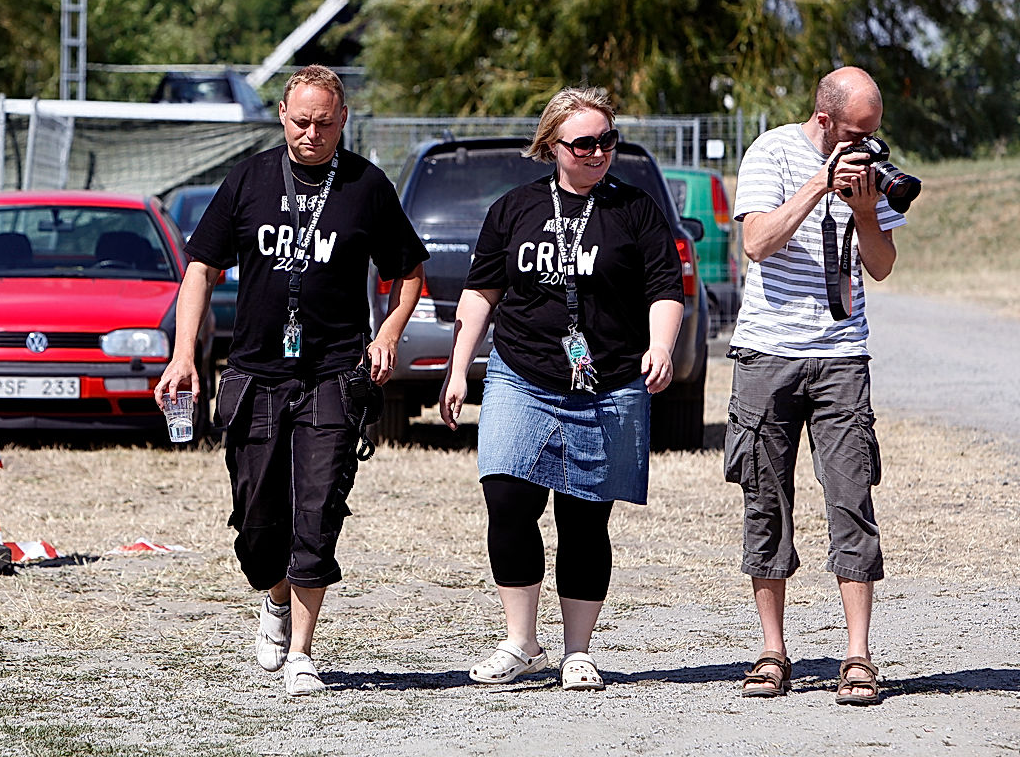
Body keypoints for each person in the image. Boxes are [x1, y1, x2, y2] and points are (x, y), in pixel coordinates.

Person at [156, 65, 428, 697]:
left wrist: (387, 335)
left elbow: (408, 271)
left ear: (343, 121)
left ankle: (304, 651)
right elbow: (200, 268)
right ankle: (273, 597)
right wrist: (183, 355)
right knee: (258, 524)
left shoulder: (366, 186)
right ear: (282, 115)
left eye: (325, 123)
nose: (311, 134)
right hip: (254, 373)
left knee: (317, 510)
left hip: (333, 374)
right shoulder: (249, 179)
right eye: (301, 121)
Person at [439, 87, 685, 691]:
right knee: (507, 499)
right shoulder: (514, 208)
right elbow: (481, 292)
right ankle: (521, 642)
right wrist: (457, 366)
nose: (598, 152)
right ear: (552, 146)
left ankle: (578, 650)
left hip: (607, 382)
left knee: (584, 519)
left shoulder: (635, 208)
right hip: (521, 372)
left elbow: (664, 288)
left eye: (608, 141)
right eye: (583, 143)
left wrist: (661, 347)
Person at [725, 66, 907, 706]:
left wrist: (863, 211)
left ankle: (857, 655)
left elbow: (880, 267)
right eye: (856, 133)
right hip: (767, 354)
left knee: (852, 498)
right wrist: (817, 186)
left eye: (873, 133)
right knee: (765, 500)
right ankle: (772, 652)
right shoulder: (772, 151)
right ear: (825, 119)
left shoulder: (869, 168)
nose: (866, 145)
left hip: (840, 356)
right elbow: (757, 242)